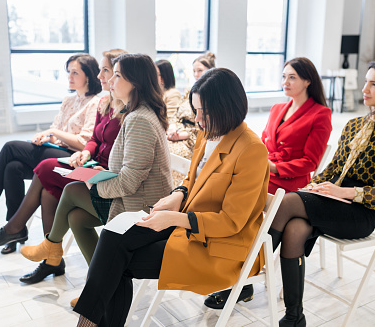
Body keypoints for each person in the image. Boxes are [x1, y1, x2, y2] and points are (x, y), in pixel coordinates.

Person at [72, 68, 272, 327]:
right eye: (196, 110)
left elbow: (231, 222)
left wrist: (175, 218)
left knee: (118, 262)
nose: (198, 120)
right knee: (112, 235)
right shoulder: (208, 132)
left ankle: (86, 323)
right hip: (187, 223)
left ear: (228, 107)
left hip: (218, 246)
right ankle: (89, 322)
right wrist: (178, 195)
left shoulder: (251, 150)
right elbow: (193, 180)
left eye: (205, 112)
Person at [268, 57, 375, 326]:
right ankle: (294, 318)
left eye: (374, 84)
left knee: (287, 202)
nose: (365, 89)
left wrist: (344, 193)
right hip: (330, 202)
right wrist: (317, 186)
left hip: (361, 213)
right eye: (366, 82)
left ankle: (244, 270)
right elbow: (332, 169)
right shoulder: (353, 125)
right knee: (293, 230)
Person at [18, 54, 172, 304]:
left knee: (72, 191)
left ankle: (52, 247)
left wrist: (94, 183)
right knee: (77, 218)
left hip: (141, 208)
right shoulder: (133, 113)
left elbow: (129, 183)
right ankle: (98, 284)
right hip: (133, 197)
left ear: (136, 82)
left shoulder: (139, 119)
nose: (110, 80)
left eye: (118, 75)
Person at [0, 49, 125, 271]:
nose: (100, 76)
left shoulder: (112, 105)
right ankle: (50, 258)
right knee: (18, 170)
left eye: (106, 70)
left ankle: (16, 228)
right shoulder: (105, 104)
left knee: (20, 153)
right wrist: (82, 151)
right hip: (83, 160)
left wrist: (65, 139)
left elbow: (89, 141)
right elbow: (94, 139)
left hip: (98, 172)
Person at [203, 57, 333, 309]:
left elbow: (310, 162)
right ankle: (231, 272)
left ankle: (240, 280)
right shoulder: (277, 109)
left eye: (292, 77)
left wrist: (273, 167)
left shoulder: (320, 114)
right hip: (265, 174)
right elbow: (262, 143)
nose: (285, 81)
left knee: (241, 212)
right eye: (283, 76)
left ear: (308, 81)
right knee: (226, 200)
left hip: (291, 185)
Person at [0, 54, 102, 240]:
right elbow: (58, 135)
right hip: (57, 149)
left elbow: (83, 141)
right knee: (12, 167)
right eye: (68, 72)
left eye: (75, 72)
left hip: (73, 157)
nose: (69, 77)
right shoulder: (68, 100)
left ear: (88, 76)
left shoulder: (96, 102)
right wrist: (46, 137)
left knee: (10, 147)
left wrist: (53, 132)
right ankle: (15, 229)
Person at [166, 52, 215, 186]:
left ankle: (177, 187)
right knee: (159, 146)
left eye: (200, 70)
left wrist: (180, 135)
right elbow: (176, 114)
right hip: (178, 131)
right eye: (194, 71)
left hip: (193, 137)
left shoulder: (211, 96)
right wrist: (172, 128)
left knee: (172, 152)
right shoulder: (190, 91)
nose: (196, 74)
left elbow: (202, 128)